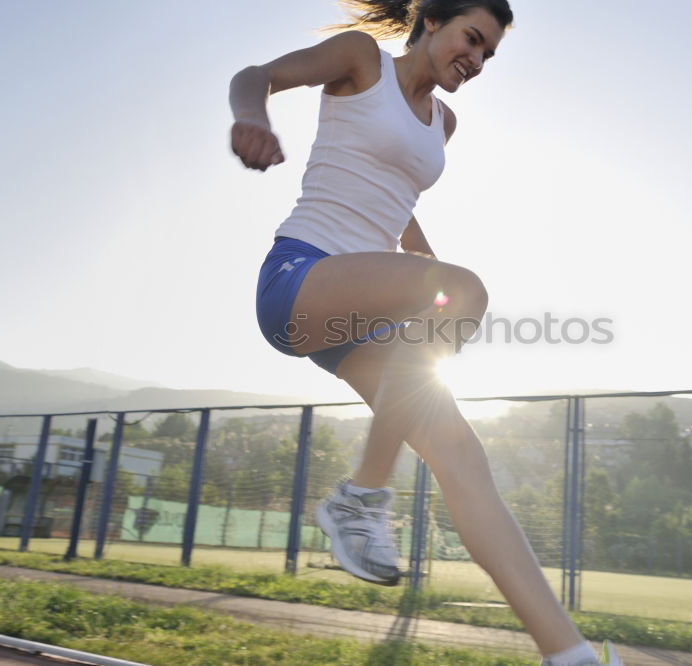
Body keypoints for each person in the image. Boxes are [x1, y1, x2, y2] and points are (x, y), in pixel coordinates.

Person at [230, 1, 621, 664]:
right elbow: (254, 75)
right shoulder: (361, 61)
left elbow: (397, 209)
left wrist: (428, 270)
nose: (476, 59)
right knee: (464, 290)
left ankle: (570, 655)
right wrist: (250, 119)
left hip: (356, 319)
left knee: (464, 458)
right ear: (432, 23)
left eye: (488, 53)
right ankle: (361, 498)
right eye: (472, 38)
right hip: (300, 277)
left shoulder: (446, 122)